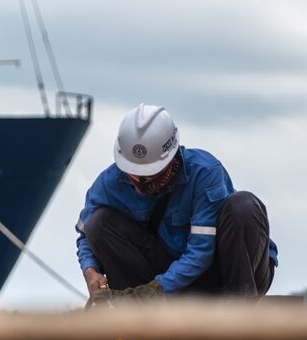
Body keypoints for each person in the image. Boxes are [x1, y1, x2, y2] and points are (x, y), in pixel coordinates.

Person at [76, 104, 277, 306]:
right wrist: (90, 270)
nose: (142, 184)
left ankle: (238, 312)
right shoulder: (109, 183)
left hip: (225, 273)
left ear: (171, 159)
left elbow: (201, 252)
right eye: (136, 176)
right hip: (171, 278)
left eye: (151, 175)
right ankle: (135, 314)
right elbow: (86, 233)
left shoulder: (204, 173)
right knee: (99, 223)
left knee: (243, 206)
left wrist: (156, 291)